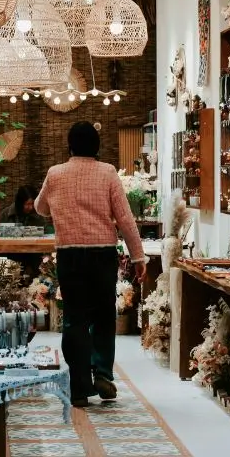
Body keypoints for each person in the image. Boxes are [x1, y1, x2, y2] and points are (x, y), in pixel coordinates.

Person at [34, 121, 147, 408]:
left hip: (70, 256)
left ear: (69, 145)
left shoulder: (55, 174)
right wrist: (138, 256)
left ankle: (79, 387)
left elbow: (39, 207)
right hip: (102, 255)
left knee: (75, 318)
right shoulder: (107, 172)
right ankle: (103, 373)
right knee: (103, 316)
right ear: (96, 146)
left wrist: (60, 208)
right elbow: (125, 218)